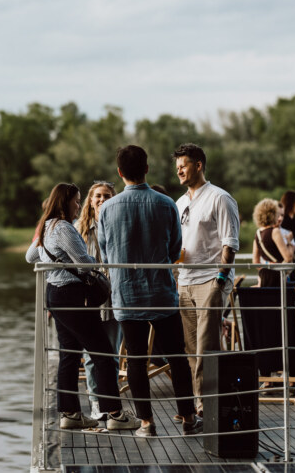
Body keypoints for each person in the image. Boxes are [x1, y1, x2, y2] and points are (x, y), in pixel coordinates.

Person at [98, 145, 201, 438]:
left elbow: (106, 254)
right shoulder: (167, 203)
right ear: (147, 168)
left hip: (127, 297)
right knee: (177, 358)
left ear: (119, 172)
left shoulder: (107, 208)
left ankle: (146, 423)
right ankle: (189, 418)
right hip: (162, 294)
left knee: (136, 360)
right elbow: (173, 250)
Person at [26, 182, 140, 432]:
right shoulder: (64, 227)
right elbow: (85, 264)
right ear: (65, 202)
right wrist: (94, 263)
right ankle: (116, 415)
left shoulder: (46, 227)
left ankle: (70, 414)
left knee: (69, 354)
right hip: (71, 296)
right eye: (76, 201)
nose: (79, 205)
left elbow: (30, 256)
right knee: (104, 354)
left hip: (54, 294)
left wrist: (55, 259)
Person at [173, 143, 240, 417]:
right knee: (190, 350)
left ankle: (205, 406)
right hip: (184, 282)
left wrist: (220, 280)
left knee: (206, 347)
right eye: (177, 166)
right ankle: (199, 404)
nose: (179, 170)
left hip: (210, 280)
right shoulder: (179, 203)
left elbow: (230, 243)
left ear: (198, 165)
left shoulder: (220, 198)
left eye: (183, 165)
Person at [75, 181, 122, 420]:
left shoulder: (120, 226)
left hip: (114, 299)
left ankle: (111, 403)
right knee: (91, 356)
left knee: (112, 355)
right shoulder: (79, 228)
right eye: (98, 196)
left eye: (107, 196)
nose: (102, 200)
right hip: (89, 299)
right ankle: (95, 402)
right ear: (90, 201)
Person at [252, 198, 295, 286]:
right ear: (273, 214)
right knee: (279, 299)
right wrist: (289, 242)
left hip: (264, 275)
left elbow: (255, 262)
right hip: (277, 275)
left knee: (267, 298)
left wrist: (267, 269)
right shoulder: (275, 231)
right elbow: (288, 258)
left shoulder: (257, 233)